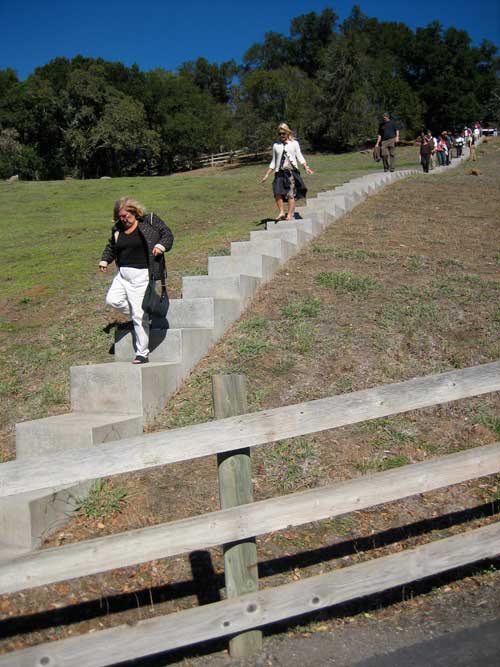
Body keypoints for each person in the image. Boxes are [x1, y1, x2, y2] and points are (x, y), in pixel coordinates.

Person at [99, 197, 174, 364]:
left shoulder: (150, 221)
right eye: (120, 217)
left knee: (139, 316)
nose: (124, 219)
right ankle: (140, 313)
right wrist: (105, 260)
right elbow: (111, 246)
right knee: (112, 300)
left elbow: (167, 234)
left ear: (134, 211)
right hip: (123, 274)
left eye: (126, 215)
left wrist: (161, 246)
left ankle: (142, 353)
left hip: (142, 275)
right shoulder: (117, 229)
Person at [261, 123, 314, 221]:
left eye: (283, 133)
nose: (281, 135)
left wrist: (306, 167)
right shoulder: (276, 145)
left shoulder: (294, 143)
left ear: (287, 132)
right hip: (279, 173)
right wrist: (267, 174)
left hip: (291, 172)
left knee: (290, 194)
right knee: (277, 192)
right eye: (279, 133)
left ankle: (289, 214)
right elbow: (273, 161)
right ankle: (281, 212)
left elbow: (300, 156)